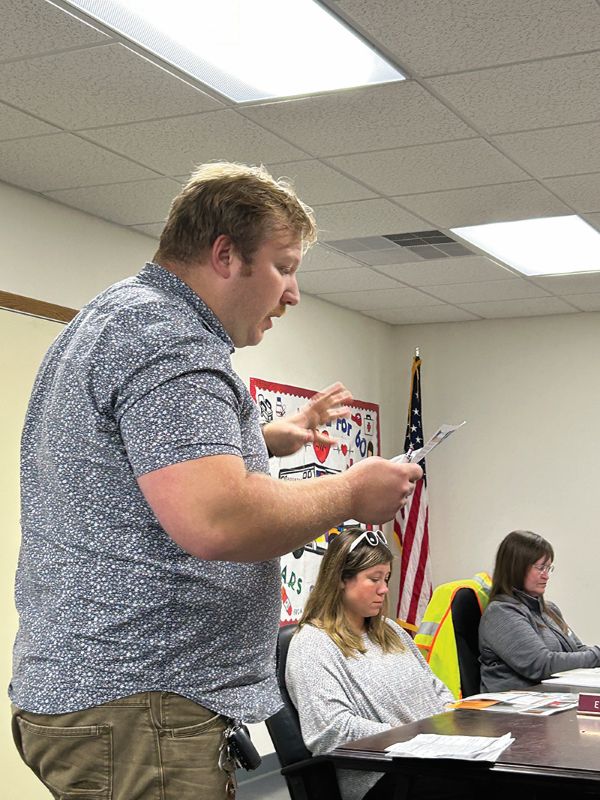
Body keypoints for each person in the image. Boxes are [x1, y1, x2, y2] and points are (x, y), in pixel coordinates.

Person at [10, 162, 423, 800]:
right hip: (142, 705)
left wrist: (264, 438)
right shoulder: (168, 339)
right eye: (284, 267)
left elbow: (142, 470)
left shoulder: (117, 316)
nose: (292, 294)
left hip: (124, 701)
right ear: (225, 254)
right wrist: (349, 493)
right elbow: (217, 520)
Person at [285, 528, 457, 800]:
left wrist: (455, 722)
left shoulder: (390, 630)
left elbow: (436, 688)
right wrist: (415, 736)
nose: (384, 589)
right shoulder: (313, 644)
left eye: (386, 578)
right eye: (374, 578)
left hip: (432, 759)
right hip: (383, 777)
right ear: (341, 579)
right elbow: (331, 731)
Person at [479, 530, 600, 692]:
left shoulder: (549, 610)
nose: (546, 576)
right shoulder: (501, 613)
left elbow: (577, 649)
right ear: (516, 568)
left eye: (548, 568)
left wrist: (595, 654)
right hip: (513, 708)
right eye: (540, 568)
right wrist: (597, 655)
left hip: (554, 699)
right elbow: (541, 664)